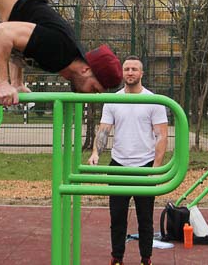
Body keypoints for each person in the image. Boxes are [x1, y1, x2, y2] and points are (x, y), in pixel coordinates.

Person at [88, 56, 169, 265]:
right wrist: (96, 153)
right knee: (117, 218)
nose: (130, 72)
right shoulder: (113, 100)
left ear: (142, 73)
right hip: (118, 165)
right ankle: (117, 258)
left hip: (144, 166)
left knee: (145, 219)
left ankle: (146, 259)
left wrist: (155, 168)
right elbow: (104, 130)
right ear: (122, 73)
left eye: (134, 69)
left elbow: (161, 136)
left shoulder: (153, 100)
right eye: (126, 69)